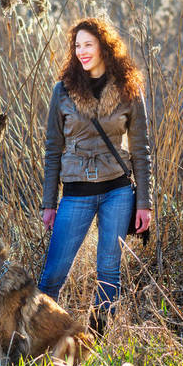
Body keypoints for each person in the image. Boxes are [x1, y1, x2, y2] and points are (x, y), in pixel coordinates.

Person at [39, 17, 152, 335]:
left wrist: (144, 203)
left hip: (118, 192)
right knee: (53, 275)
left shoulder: (129, 89)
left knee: (108, 273)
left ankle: (96, 342)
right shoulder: (62, 91)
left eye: (88, 44)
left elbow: (142, 152)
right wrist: (49, 202)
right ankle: (42, 339)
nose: (82, 51)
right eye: (77, 46)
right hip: (75, 193)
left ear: (104, 46)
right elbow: (52, 151)